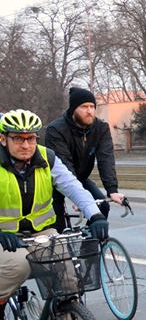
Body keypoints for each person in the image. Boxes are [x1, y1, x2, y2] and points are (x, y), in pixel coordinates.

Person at [0, 110, 109, 320]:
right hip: (6, 237)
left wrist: (95, 215)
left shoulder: (46, 158)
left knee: (69, 275)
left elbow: (74, 187)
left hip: (42, 232)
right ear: (3, 139)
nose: (25, 144)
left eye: (30, 138)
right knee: (20, 266)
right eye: (18, 138)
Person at [44, 86, 126, 231]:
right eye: (84, 107)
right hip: (54, 180)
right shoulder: (56, 130)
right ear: (73, 109)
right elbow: (64, 163)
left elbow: (106, 158)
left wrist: (112, 190)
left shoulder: (101, 128)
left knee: (101, 208)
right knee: (57, 225)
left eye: (92, 106)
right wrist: (77, 196)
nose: (89, 111)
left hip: (81, 178)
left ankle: (88, 248)